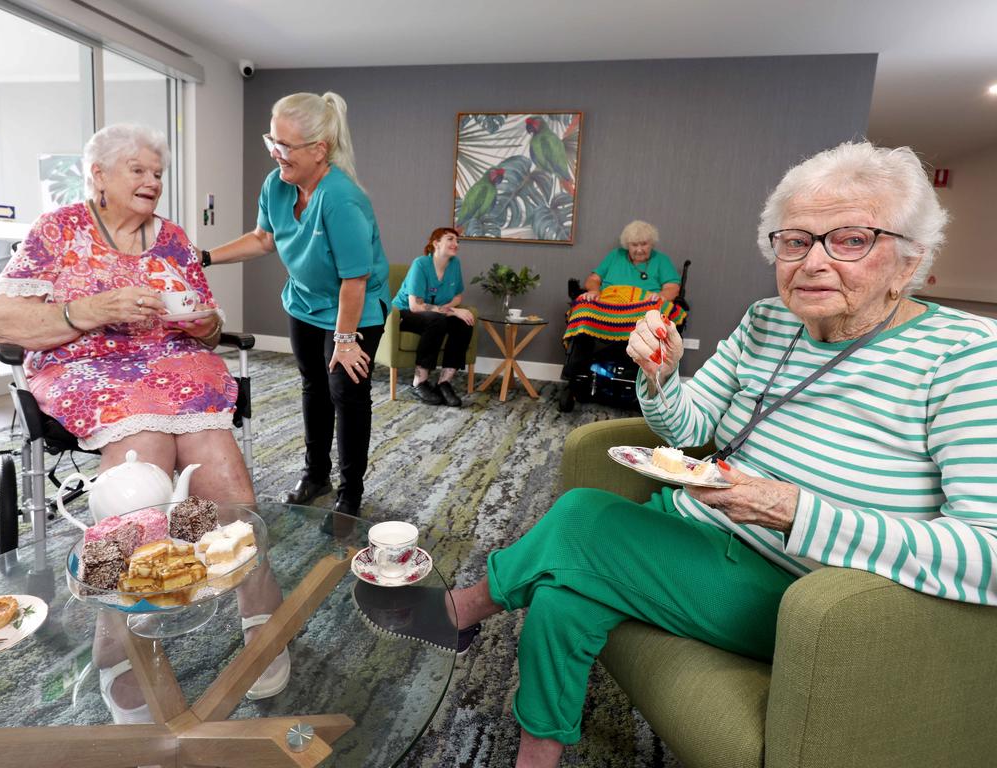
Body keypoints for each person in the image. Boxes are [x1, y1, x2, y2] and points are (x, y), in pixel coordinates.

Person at [362, 142, 997, 767]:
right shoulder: (767, 321)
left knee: (583, 513)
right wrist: (661, 378)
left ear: (910, 260)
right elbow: (688, 427)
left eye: (852, 239)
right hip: (693, 525)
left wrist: (794, 510)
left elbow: (988, 553)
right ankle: (538, 754)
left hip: (798, 587)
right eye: (795, 240)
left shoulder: (966, 356)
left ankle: (459, 610)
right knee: (560, 597)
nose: (812, 262)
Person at [0, 123, 289, 721]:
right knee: (139, 478)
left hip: (173, 362)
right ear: (97, 175)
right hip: (89, 366)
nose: (153, 182)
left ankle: (256, 597)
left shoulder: (171, 238)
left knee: (220, 468)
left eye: (157, 172)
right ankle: (119, 637)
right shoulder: (58, 230)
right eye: (138, 170)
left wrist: (202, 324)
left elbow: (204, 313)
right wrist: (88, 311)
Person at [204, 92, 390, 517]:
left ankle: (351, 491)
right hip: (305, 303)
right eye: (272, 140)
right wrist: (207, 257)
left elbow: (354, 279)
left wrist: (344, 341)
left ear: (319, 149)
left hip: (353, 306)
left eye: (284, 146)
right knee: (313, 386)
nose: (275, 153)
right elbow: (264, 238)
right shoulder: (277, 184)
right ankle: (316, 473)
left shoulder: (341, 198)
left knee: (346, 390)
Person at [561, 220, 682, 406]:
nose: (640, 249)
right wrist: (594, 291)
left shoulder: (661, 260)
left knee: (660, 313)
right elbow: (593, 279)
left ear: (652, 244)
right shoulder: (615, 256)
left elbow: (672, 288)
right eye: (635, 245)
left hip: (643, 304)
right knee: (582, 307)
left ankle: (647, 382)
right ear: (627, 245)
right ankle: (575, 370)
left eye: (644, 244)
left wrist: (660, 296)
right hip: (610, 302)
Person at [392, 227, 475, 406]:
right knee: (436, 321)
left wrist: (448, 309)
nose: (456, 244)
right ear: (436, 243)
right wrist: (451, 311)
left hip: (433, 313)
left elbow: (458, 296)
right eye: (450, 239)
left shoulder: (455, 264)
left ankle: (444, 383)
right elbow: (416, 306)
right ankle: (419, 382)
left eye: (457, 241)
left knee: (464, 323)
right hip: (404, 314)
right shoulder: (420, 264)